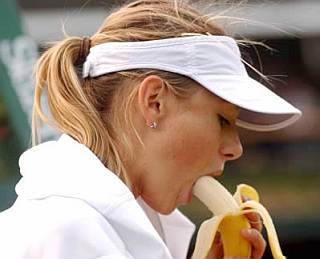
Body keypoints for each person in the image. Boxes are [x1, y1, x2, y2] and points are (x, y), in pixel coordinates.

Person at [0, 0, 301, 259]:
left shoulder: (86, 226)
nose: (235, 148)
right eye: (222, 120)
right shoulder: (68, 232)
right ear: (154, 101)